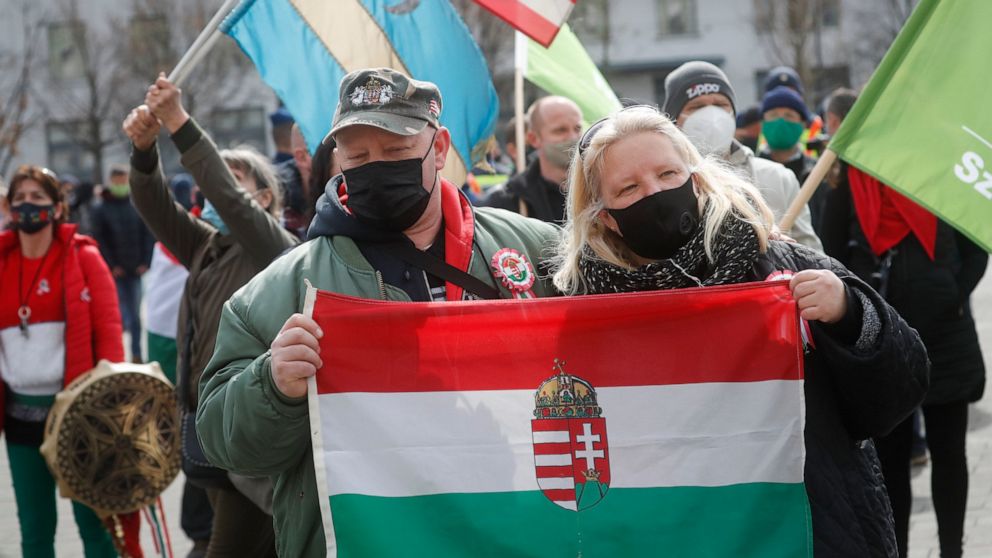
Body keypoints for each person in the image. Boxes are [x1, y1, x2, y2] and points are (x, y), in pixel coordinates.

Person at [195, 67, 560, 557]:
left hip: (511, 530)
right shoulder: (278, 291)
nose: (376, 166)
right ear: (338, 158)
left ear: (440, 148)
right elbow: (224, 444)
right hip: (364, 539)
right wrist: (272, 385)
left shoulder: (537, 250)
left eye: (396, 151)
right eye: (359, 155)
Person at [552, 106, 929, 558]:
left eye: (668, 173)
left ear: (695, 176)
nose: (655, 193)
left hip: (807, 532)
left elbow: (900, 391)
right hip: (670, 536)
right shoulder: (587, 317)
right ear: (606, 217)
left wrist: (849, 313)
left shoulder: (778, 264)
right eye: (629, 188)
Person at [123, 73, 299, 557]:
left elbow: (227, 199)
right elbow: (152, 203)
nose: (207, 195)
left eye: (229, 180)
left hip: (250, 443)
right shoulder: (207, 246)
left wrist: (178, 121)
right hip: (207, 438)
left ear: (263, 199)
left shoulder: (274, 249)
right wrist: (143, 151)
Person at [819, 91, 987, 558]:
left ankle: (952, 549)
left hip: (946, 337)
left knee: (949, 452)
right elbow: (829, 257)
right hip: (880, 343)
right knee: (890, 463)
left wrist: (951, 292)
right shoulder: (850, 182)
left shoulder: (935, 178)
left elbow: (976, 246)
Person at [0, 165, 142, 557]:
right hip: (20, 421)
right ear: (10, 209)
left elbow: (111, 336)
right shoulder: (2, 261)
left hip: (81, 421)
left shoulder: (84, 259)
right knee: (34, 530)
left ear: (58, 208)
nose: (27, 207)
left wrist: (112, 411)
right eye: (20, 199)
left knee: (97, 527)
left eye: (37, 199)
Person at [661, 61, 823, 251]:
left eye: (721, 104)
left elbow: (813, 257)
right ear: (673, 120)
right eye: (697, 107)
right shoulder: (659, 186)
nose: (712, 115)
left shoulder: (777, 178)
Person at [479, 95, 583, 223]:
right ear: (534, 139)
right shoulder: (507, 203)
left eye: (577, 129)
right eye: (560, 130)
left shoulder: (601, 192)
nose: (573, 138)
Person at [91, 164, 155, 362]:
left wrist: (145, 261)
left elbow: (148, 234)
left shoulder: (137, 204)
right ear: (111, 181)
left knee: (135, 315)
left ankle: (136, 354)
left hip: (135, 269)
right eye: (117, 181)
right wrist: (111, 265)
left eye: (123, 181)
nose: (121, 184)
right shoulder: (101, 208)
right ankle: (116, 356)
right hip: (115, 272)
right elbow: (99, 239)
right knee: (116, 315)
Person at [758, 86, 829, 233]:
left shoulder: (819, 172)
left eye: (789, 115)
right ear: (762, 123)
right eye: (773, 115)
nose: (781, 121)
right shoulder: (746, 171)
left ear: (802, 124)